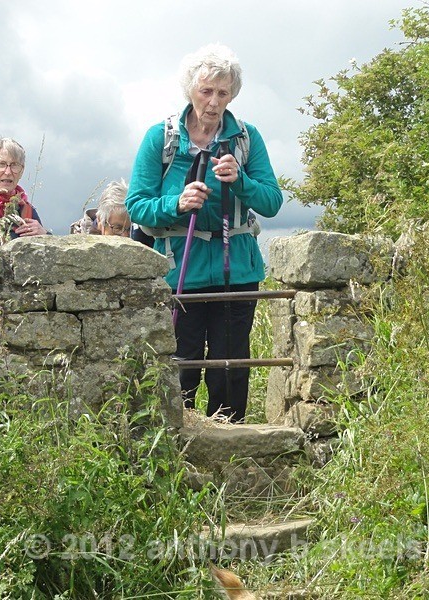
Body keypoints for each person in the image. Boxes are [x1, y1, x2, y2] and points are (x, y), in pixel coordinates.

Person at [125, 44, 282, 423]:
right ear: (190, 90)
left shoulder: (246, 138)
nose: (213, 102)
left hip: (237, 270)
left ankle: (230, 444)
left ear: (233, 95)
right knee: (183, 363)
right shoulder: (160, 138)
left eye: (223, 93)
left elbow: (273, 201)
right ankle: (181, 442)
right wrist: (177, 203)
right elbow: (137, 205)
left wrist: (240, 181)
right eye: (206, 91)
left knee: (230, 365)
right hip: (181, 269)